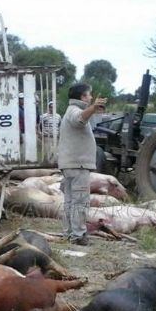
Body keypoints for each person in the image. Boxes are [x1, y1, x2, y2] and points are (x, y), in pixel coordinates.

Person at [56, 83, 107, 246]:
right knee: (80, 201)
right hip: (78, 166)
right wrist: (93, 108)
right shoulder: (74, 111)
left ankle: (69, 233)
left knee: (70, 201)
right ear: (82, 97)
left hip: (72, 165)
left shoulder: (70, 111)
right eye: (89, 95)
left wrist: (93, 109)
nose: (91, 97)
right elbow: (80, 120)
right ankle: (78, 235)